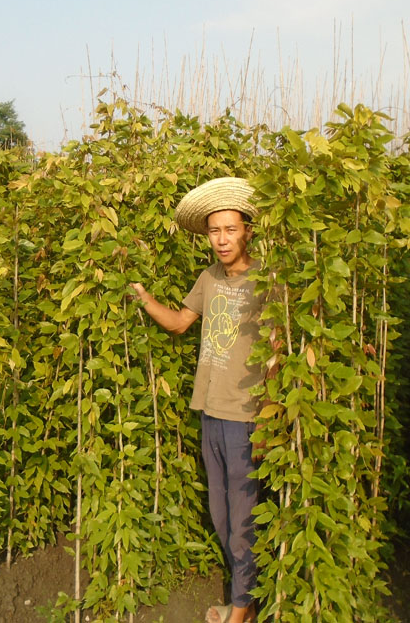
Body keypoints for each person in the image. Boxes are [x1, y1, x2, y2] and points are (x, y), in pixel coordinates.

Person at [130, 176, 266, 623]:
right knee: (221, 514)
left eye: (230, 229)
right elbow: (179, 323)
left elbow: (279, 351)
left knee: (243, 518)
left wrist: (270, 417)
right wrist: (145, 299)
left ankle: (241, 610)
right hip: (209, 411)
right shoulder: (208, 278)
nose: (222, 239)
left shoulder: (268, 281)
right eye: (214, 231)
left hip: (246, 417)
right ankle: (243, 597)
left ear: (246, 229)